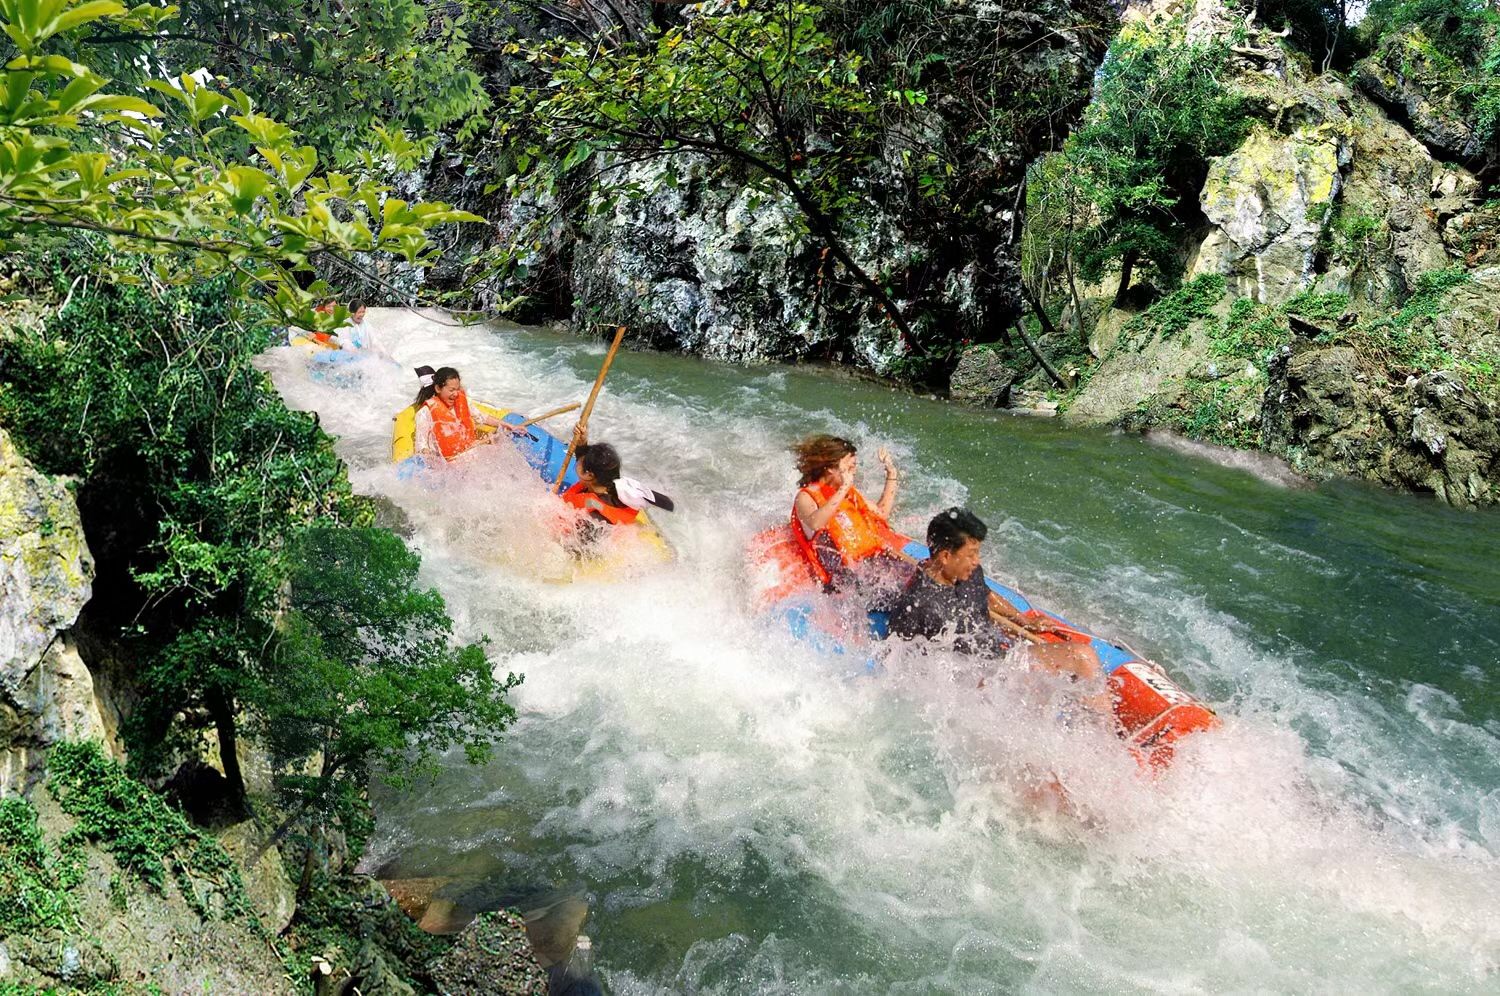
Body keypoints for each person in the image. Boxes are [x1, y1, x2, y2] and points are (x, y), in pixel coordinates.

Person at [889, 507, 1104, 694]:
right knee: (1081, 656)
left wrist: (1024, 621)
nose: (977, 561)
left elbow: (987, 595)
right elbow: (899, 657)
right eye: (971, 554)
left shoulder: (967, 573)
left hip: (1000, 661)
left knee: (1078, 664)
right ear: (946, 556)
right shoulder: (918, 604)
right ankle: (1102, 731)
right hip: (974, 683)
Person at [789, 434, 913, 606]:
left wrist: (891, 474)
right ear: (830, 468)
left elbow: (881, 512)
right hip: (845, 579)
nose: (854, 471)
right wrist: (845, 488)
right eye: (850, 466)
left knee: (920, 576)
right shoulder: (806, 497)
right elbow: (816, 523)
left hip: (869, 563)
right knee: (908, 599)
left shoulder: (848, 493)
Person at [560, 426, 674, 528]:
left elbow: (583, 548)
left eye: (579, 462)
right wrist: (582, 443)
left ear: (590, 475)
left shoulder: (595, 517)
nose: (578, 460)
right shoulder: (607, 483)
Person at [410, 365, 519, 462]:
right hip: (449, 462)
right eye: (451, 390)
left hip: (470, 451)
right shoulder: (425, 413)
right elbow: (422, 445)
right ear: (438, 388)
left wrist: (508, 425)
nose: (456, 394)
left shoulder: (461, 402)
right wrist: (432, 458)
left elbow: (482, 418)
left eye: (457, 389)